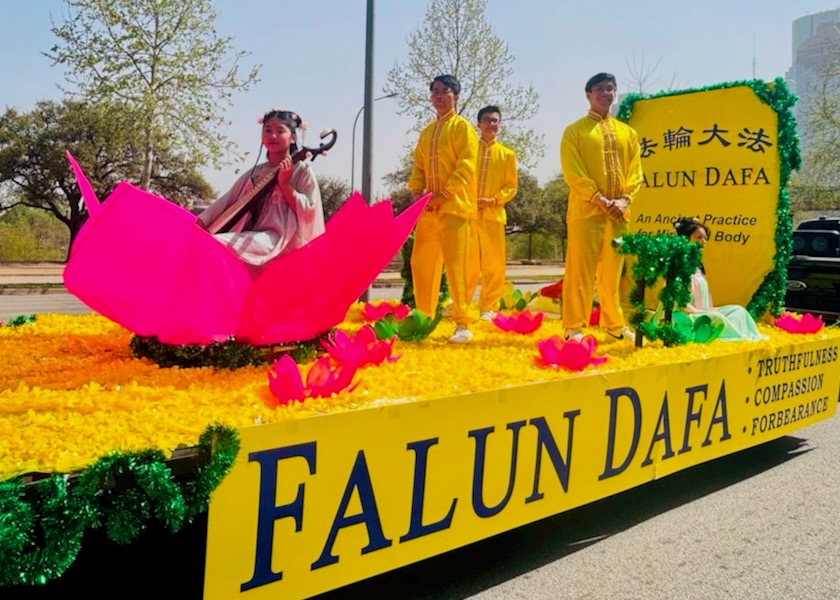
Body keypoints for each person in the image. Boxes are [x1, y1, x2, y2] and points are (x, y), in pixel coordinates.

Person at [560, 72, 643, 342]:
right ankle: (574, 326)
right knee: (579, 271)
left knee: (613, 273)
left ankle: (614, 324)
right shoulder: (575, 131)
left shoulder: (628, 133)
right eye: (599, 89)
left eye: (610, 89)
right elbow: (573, 172)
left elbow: (635, 173)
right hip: (586, 212)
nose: (605, 93)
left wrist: (623, 200)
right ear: (588, 94)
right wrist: (598, 198)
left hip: (619, 215)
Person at [197, 108, 325, 268]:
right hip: (254, 237)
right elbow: (226, 201)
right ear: (261, 137)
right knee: (206, 246)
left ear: (292, 138)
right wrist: (199, 224)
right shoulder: (255, 173)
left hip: (282, 239)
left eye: (280, 131)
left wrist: (285, 185)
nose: (273, 136)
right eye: (268, 130)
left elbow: (309, 212)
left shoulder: (301, 171)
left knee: (217, 244)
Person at [408, 74, 479, 343]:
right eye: (435, 91)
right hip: (427, 211)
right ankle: (424, 319)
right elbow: (418, 167)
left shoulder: (462, 128)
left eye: (445, 91)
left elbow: (466, 165)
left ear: (456, 96)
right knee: (422, 264)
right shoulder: (427, 132)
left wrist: (444, 193)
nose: (438, 96)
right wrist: (417, 190)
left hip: (454, 208)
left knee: (456, 266)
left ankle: (463, 323)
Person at [666, 218, 765, 341]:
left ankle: (743, 337)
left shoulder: (697, 266)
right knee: (717, 319)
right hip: (688, 315)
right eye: (699, 237)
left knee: (738, 311)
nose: (704, 241)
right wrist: (700, 312)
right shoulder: (679, 266)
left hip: (705, 311)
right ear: (685, 238)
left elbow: (705, 295)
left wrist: (711, 309)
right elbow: (680, 304)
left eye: (705, 238)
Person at [466, 105, 519, 321]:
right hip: (468, 215)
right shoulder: (468, 151)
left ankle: (488, 306)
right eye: (487, 120)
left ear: (500, 124)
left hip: (493, 215)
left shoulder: (507, 155)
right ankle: (462, 304)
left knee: (494, 265)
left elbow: (510, 186)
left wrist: (493, 200)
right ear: (478, 124)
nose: (491, 124)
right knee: (465, 264)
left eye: (495, 120)